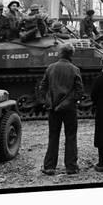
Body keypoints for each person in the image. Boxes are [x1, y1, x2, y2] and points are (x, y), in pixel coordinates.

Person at [36, 43, 83, 175]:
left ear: (60, 53)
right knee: (71, 137)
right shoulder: (75, 69)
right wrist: (67, 102)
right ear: (71, 54)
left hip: (53, 109)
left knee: (53, 136)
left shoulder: (50, 68)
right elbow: (79, 92)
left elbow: (42, 88)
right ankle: (71, 167)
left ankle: (49, 166)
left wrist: (48, 102)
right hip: (69, 109)